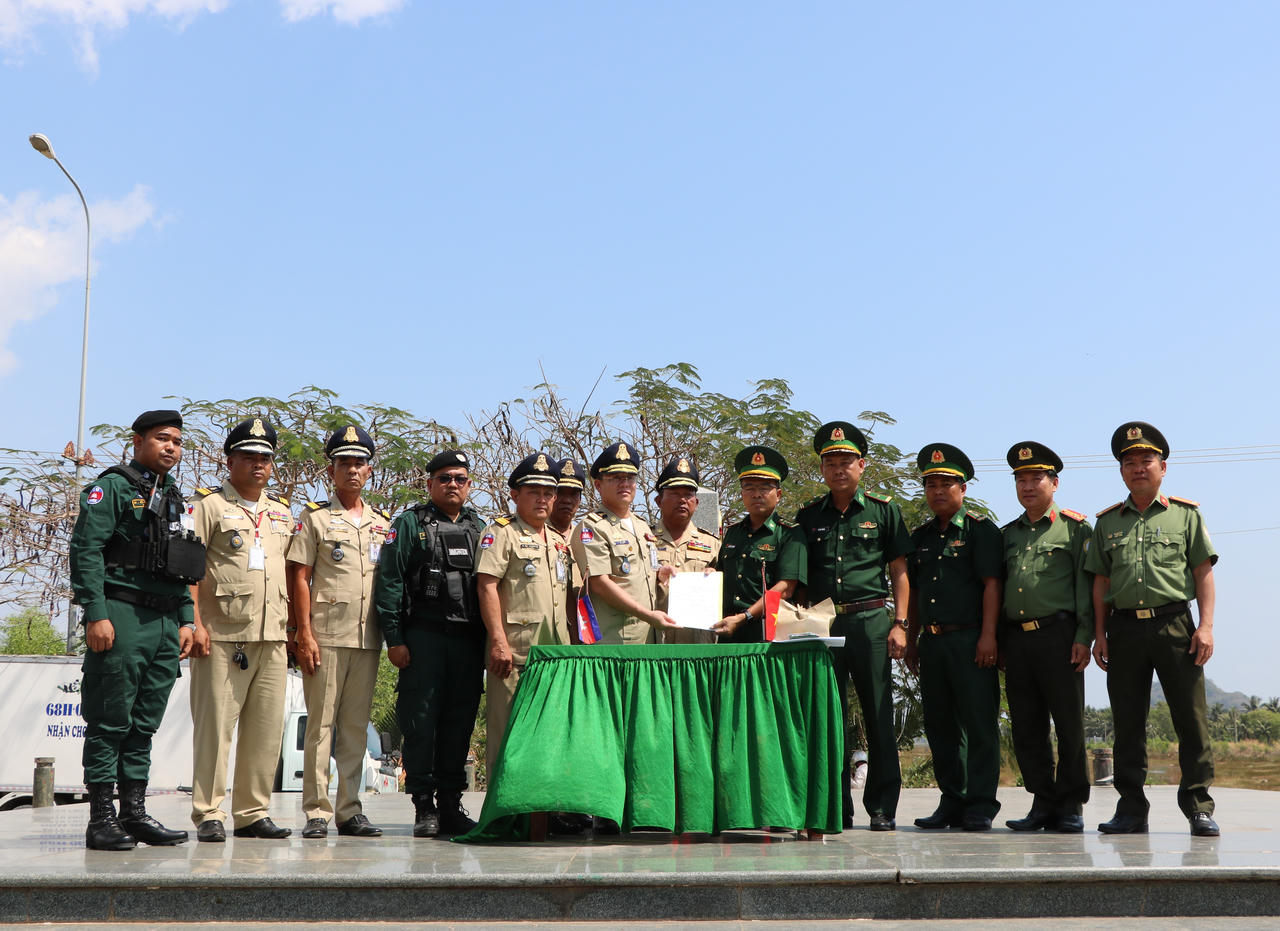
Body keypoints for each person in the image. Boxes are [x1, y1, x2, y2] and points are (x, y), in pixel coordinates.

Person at [69, 409, 202, 850]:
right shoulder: (112, 487)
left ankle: (134, 812)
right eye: (163, 438)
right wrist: (95, 611)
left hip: (164, 622)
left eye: (178, 442)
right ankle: (101, 818)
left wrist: (186, 618)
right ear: (138, 441)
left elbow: (179, 565)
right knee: (110, 721)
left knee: (143, 725)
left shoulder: (175, 497)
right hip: (122, 614)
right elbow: (87, 548)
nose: (172, 448)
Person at [1087, 422, 1219, 837]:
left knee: (1191, 721)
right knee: (1128, 723)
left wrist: (1207, 626)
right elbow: (1101, 585)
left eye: (1146, 460)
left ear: (1163, 466)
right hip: (1124, 629)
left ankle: (1198, 806)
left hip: (1176, 625)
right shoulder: (1107, 523)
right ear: (1121, 471)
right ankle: (1130, 809)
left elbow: (1203, 573)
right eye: (1129, 462)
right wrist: (1100, 634)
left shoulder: (1186, 515)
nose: (1138, 468)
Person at [795, 421, 911, 831]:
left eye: (846, 461)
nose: (838, 469)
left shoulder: (883, 511)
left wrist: (900, 623)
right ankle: (835, 804)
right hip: (824, 621)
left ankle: (882, 807)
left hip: (871, 618)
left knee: (879, 713)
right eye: (830, 462)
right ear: (822, 469)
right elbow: (799, 577)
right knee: (830, 715)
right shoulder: (808, 516)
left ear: (862, 465)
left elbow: (899, 570)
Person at [188, 417, 294, 841]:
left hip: (272, 635)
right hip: (222, 634)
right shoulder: (209, 506)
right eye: (249, 456)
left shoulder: (282, 512)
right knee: (215, 729)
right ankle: (208, 811)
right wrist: (194, 623)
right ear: (230, 460)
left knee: (266, 731)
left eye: (265, 457)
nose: (258, 464)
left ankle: (252, 812)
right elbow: (190, 570)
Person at [372, 449, 486, 838]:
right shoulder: (409, 524)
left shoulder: (479, 527)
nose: (452, 485)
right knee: (420, 722)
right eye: (444, 478)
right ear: (430, 484)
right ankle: (424, 806)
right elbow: (389, 581)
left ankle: (452, 805)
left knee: (459, 723)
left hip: (468, 641)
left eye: (460, 479)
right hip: (423, 638)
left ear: (469, 485)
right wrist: (394, 639)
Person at [287, 425, 391, 839]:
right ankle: (316, 810)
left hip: (367, 638)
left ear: (369, 471)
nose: (352, 469)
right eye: (344, 462)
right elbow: (300, 576)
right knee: (321, 727)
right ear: (331, 469)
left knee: (355, 727)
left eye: (360, 463)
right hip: (325, 636)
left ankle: (350, 809)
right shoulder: (315, 518)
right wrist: (303, 633)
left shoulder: (382, 523)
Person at [905, 444, 1002, 832]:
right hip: (932, 643)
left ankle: (980, 804)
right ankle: (952, 800)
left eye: (947, 483)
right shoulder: (921, 536)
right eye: (931, 484)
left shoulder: (981, 531)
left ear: (963, 489)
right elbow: (912, 592)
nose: (938, 491)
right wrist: (912, 640)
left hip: (971, 640)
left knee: (979, 724)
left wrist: (989, 636)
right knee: (940, 726)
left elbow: (992, 586)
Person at [1000, 441, 1093, 833]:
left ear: (1054, 483)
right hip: (1018, 640)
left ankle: (1071, 802)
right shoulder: (1007, 534)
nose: (1027, 485)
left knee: (1069, 722)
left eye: (1036, 478)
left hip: (1060, 635)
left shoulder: (1075, 528)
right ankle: (1042, 799)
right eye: (1020, 479)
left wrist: (1084, 636)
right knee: (1027, 724)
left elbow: (1085, 586)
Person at [476, 453, 572, 773]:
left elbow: (574, 597)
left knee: (549, 738)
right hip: (515, 655)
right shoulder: (502, 533)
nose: (542, 499)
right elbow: (487, 586)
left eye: (548, 493)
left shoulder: (559, 541)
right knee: (508, 739)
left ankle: (545, 816)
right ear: (516, 495)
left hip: (554, 655)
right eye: (534, 492)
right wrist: (498, 641)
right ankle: (503, 818)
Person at [569, 442, 677, 643]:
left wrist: (659, 575)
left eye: (630, 478)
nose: (624, 484)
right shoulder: (592, 527)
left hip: (648, 638)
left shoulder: (643, 526)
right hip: (615, 641)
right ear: (598, 485)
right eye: (616, 478)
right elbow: (600, 584)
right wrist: (646, 614)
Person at [713, 446, 806, 643]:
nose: (756, 494)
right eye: (749, 487)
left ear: (778, 494)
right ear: (741, 494)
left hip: (768, 634)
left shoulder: (789, 533)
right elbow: (720, 576)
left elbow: (786, 588)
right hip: (728, 630)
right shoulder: (733, 532)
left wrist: (744, 617)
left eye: (764, 488)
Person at [651, 456, 721, 644]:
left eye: (688, 494)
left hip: (698, 642)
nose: (682, 500)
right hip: (655, 639)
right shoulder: (643, 540)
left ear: (696, 503)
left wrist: (714, 577)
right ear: (658, 500)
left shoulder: (713, 544)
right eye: (674, 493)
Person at [550, 458, 586, 642]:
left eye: (574, 494)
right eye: (560, 492)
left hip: (583, 637)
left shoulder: (588, 538)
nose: (567, 500)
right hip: (548, 636)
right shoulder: (537, 535)